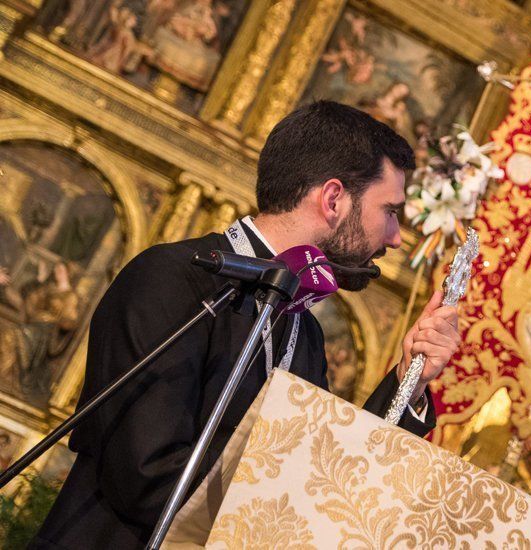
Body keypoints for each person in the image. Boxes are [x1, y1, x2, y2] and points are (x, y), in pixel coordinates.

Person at [30, 101, 461, 549]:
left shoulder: (304, 327)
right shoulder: (173, 278)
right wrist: (291, 518)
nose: (394, 238)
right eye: (390, 211)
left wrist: (410, 378)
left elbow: (332, 475)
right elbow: (145, 471)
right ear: (333, 199)